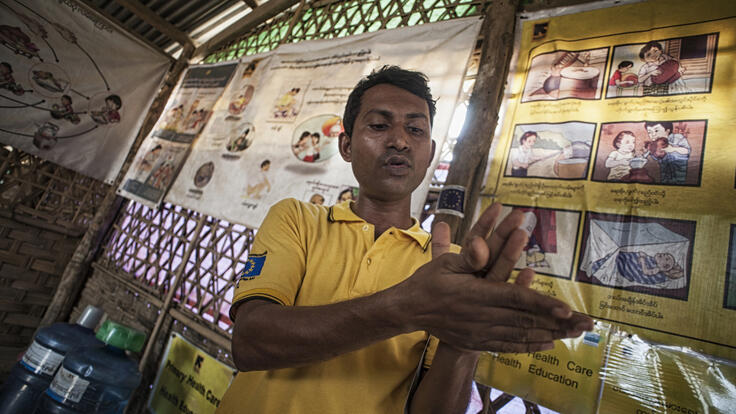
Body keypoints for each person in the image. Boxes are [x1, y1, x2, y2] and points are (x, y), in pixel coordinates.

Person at [217, 66, 592, 414]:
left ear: (429, 153)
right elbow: (250, 343)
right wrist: (407, 307)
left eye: (416, 130)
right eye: (379, 125)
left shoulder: (447, 269)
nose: (399, 140)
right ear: (346, 146)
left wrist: (462, 345)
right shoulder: (298, 220)